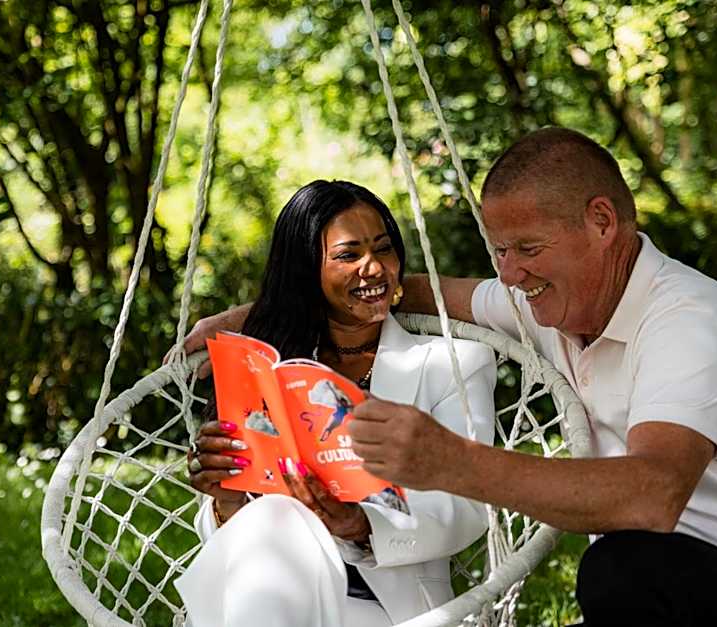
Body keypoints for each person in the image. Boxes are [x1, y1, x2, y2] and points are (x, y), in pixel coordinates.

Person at [345, 127, 717, 626]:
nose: (510, 274)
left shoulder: (688, 320)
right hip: (673, 594)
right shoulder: (554, 304)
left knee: (621, 568)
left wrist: (453, 462)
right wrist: (270, 311)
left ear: (601, 222)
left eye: (527, 247)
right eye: (500, 251)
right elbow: (421, 292)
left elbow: (651, 495)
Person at [173, 179, 497, 627]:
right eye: (348, 255)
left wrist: (358, 523)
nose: (375, 268)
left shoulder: (453, 365)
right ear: (308, 270)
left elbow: (471, 504)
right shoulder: (266, 370)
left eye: (384, 250)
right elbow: (234, 540)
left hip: (386, 606)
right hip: (269, 587)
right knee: (270, 522)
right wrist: (225, 498)